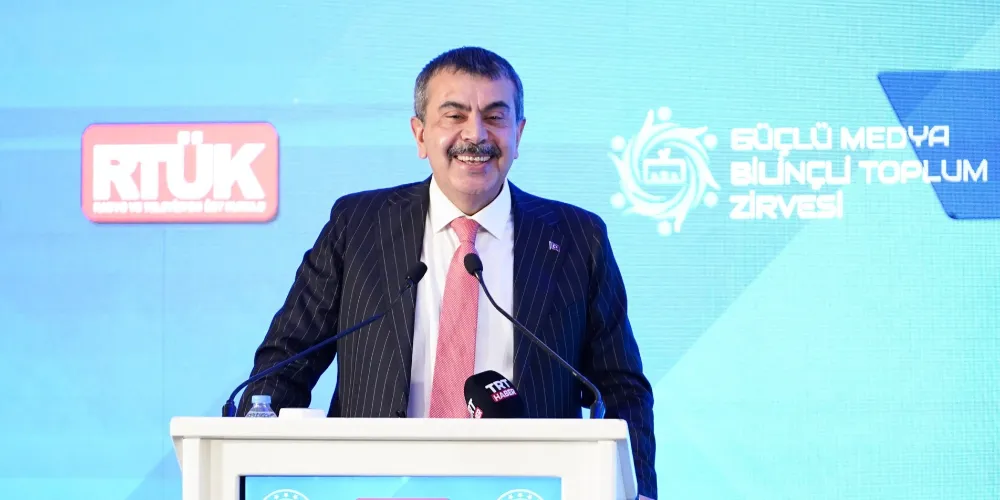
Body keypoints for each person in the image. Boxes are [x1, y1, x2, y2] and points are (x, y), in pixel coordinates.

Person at [237, 46, 657, 500]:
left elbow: (620, 388)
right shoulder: (357, 225)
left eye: (495, 117)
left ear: (518, 134)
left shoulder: (577, 238)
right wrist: (245, 473)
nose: (475, 135)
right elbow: (286, 362)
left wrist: (637, 492)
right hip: (373, 487)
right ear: (420, 135)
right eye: (454, 116)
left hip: (525, 490)